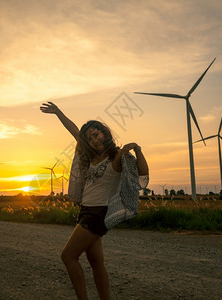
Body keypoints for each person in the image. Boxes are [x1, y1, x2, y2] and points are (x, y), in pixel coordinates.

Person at [40, 101, 149, 300]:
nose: (94, 139)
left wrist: (137, 149)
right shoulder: (89, 159)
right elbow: (75, 132)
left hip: (98, 214)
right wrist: (58, 113)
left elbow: (143, 173)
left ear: (105, 134)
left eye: (96, 134)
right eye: (90, 138)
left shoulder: (117, 157)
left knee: (68, 256)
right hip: (85, 211)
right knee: (96, 262)